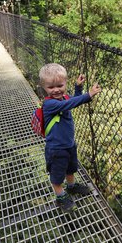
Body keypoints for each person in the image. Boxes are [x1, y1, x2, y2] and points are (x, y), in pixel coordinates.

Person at [39, 63, 101, 212]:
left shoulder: (63, 99)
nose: (56, 90)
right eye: (51, 87)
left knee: (71, 168)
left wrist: (78, 88)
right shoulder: (50, 104)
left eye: (60, 85)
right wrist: (89, 94)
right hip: (56, 149)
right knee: (57, 175)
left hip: (69, 144)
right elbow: (72, 103)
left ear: (65, 83)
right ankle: (60, 197)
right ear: (44, 88)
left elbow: (73, 101)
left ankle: (72, 187)